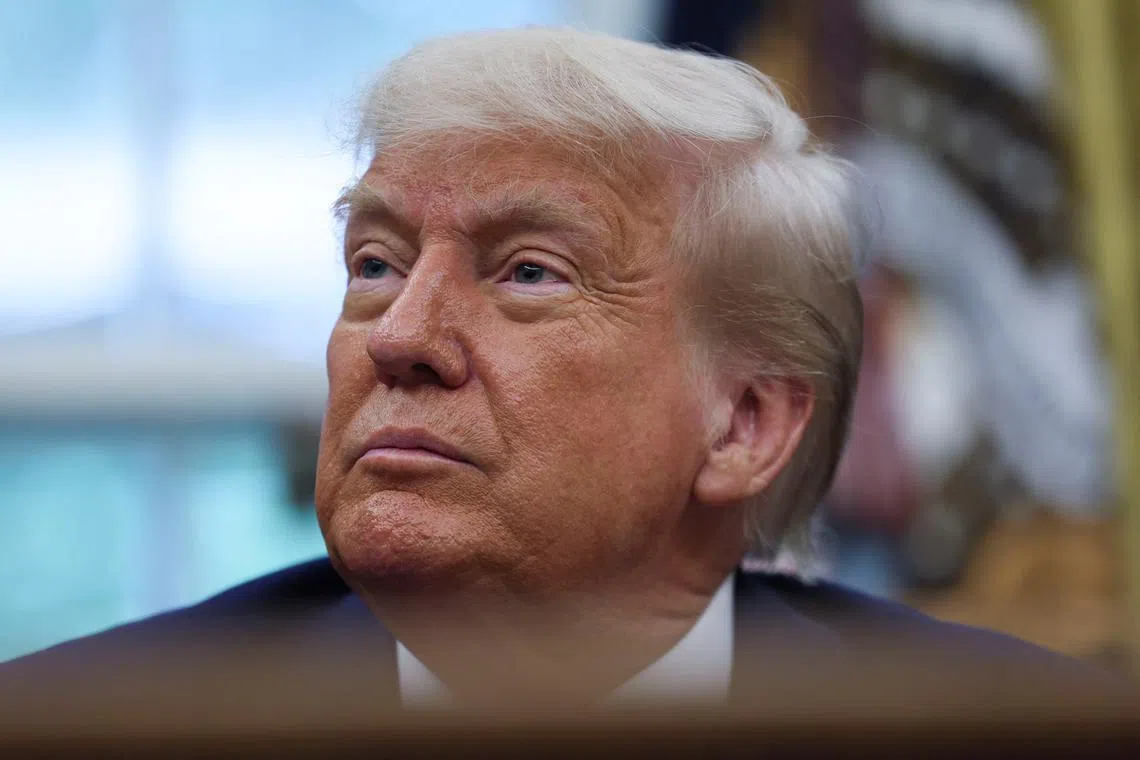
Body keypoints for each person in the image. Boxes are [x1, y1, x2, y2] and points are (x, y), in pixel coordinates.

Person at [1, 28, 1131, 726]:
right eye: (376, 263)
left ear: (742, 421)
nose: (400, 335)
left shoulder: (1025, 731)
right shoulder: (80, 724)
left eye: (530, 273)